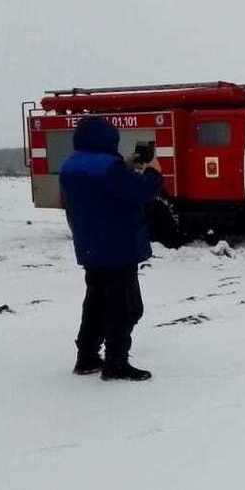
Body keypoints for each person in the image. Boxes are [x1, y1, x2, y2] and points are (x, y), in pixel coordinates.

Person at [59, 117, 163, 380]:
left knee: (95, 302)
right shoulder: (110, 168)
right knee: (124, 306)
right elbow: (142, 191)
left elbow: (101, 189)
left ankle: (87, 357)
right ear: (109, 139)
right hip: (118, 247)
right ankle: (116, 364)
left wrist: (124, 166)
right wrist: (153, 170)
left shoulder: (70, 165)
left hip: (90, 247)